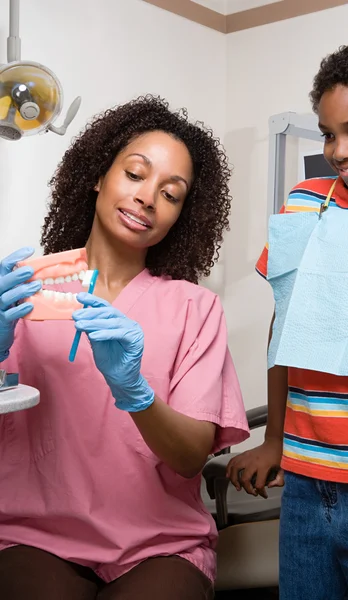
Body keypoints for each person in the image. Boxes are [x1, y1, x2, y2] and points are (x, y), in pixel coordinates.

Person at [0, 95, 249, 599]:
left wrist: (135, 392)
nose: (147, 198)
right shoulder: (24, 292)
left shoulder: (194, 309)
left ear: (183, 213)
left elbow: (188, 458)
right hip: (32, 532)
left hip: (157, 542)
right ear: (98, 175)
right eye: (135, 174)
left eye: (171, 193)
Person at [227, 35, 348, 599]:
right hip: (305, 475)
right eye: (329, 133)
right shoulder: (305, 201)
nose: (339, 149)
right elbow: (287, 326)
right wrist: (275, 438)